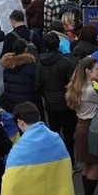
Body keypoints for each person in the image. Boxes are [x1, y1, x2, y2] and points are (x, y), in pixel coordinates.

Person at [65, 56, 98, 195]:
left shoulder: (77, 87)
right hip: (92, 128)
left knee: (87, 163)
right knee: (96, 162)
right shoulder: (90, 90)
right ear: (88, 71)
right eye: (97, 69)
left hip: (81, 126)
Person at [35, 31, 77, 163]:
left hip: (50, 103)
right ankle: (71, 162)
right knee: (68, 136)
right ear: (58, 44)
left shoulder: (40, 63)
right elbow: (72, 84)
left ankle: (57, 161)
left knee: (54, 135)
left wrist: (47, 94)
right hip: (66, 104)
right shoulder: (65, 62)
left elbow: (37, 85)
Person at [0, 38, 42, 114]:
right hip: (30, 104)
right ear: (26, 49)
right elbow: (38, 85)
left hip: (12, 105)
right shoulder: (32, 67)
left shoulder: (7, 68)